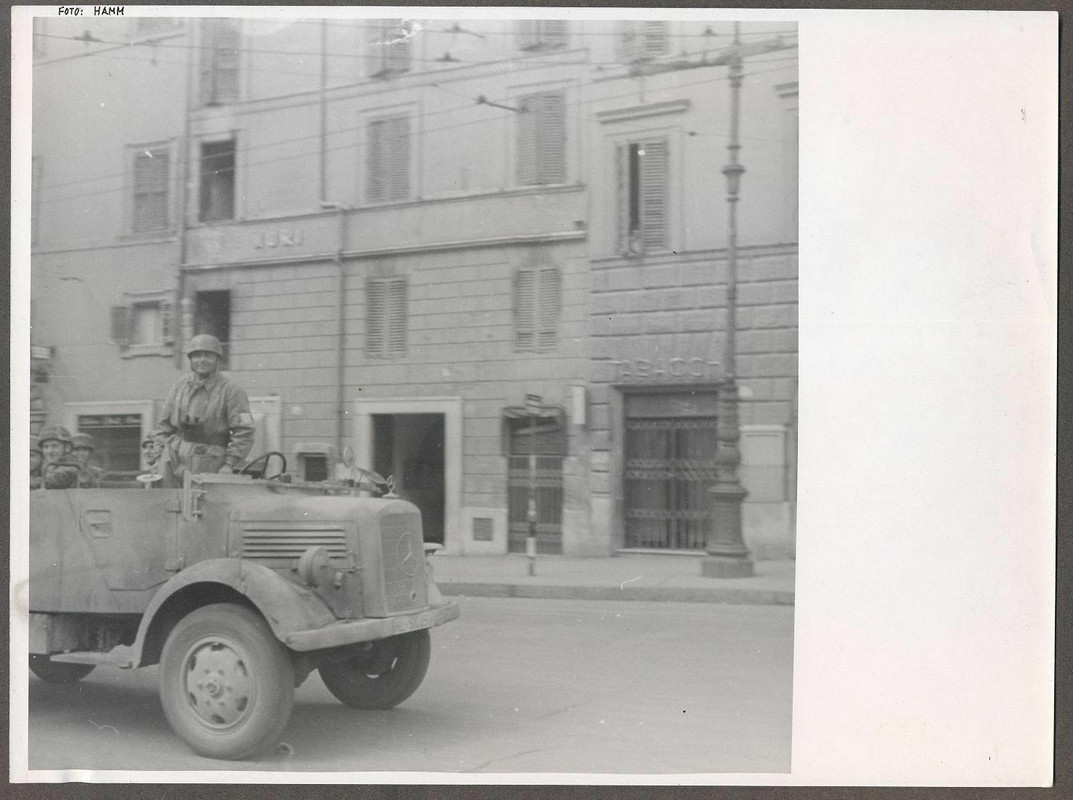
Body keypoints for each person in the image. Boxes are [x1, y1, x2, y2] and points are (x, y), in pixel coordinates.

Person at [154, 334, 255, 487]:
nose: (202, 360)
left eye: (208, 355)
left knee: (200, 505)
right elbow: (164, 425)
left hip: (209, 459)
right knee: (166, 502)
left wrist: (229, 464)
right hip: (174, 456)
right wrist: (162, 454)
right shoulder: (180, 386)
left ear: (218, 359)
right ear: (191, 360)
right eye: (196, 355)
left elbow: (244, 432)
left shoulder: (231, 391)